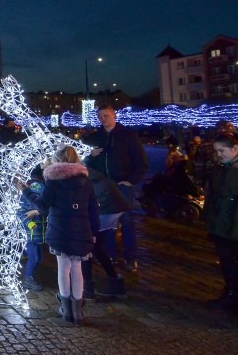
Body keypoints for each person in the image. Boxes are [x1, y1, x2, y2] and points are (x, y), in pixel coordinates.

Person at [26, 144, 99, 324]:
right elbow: (93, 210)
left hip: (60, 229)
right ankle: (78, 312)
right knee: (77, 268)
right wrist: (94, 232)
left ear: (57, 159)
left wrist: (25, 191)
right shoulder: (86, 180)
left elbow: (42, 206)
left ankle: (66, 310)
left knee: (63, 268)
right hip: (82, 229)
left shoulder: (53, 180)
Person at [84, 104, 148, 272]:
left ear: (114, 116)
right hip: (102, 187)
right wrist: (90, 156)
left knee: (126, 220)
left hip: (122, 185)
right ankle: (109, 255)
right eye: (100, 116)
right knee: (106, 222)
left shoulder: (127, 135)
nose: (103, 119)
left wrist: (131, 180)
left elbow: (140, 161)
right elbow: (83, 162)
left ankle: (130, 257)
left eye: (106, 115)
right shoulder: (95, 137)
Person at [202, 130, 238, 311]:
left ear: (235, 148)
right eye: (216, 151)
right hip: (220, 223)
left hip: (236, 224)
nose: (218, 154)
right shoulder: (221, 166)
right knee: (226, 260)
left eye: (221, 151)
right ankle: (231, 292)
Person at [82, 166, 129, 298]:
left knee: (87, 245)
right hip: (114, 206)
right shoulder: (83, 167)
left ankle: (87, 288)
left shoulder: (74, 171)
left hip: (105, 208)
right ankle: (115, 283)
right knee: (96, 246)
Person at [16, 169, 46, 291]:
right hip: (30, 233)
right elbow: (21, 214)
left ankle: (30, 275)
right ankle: (28, 278)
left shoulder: (39, 188)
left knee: (39, 257)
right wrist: (30, 225)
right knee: (34, 257)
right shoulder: (32, 192)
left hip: (38, 233)